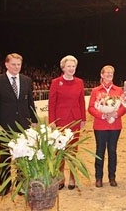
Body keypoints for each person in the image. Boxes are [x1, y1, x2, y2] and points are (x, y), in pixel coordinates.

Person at [0, 53, 38, 196]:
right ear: (6, 65)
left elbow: (30, 103)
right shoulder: (0, 81)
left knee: (23, 155)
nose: (16, 67)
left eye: (19, 64)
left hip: (24, 125)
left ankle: (21, 185)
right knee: (5, 156)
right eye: (14, 64)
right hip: (4, 126)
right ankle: (4, 185)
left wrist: (34, 121)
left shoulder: (27, 80)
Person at [48, 55, 86, 190]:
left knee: (73, 150)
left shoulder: (80, 82)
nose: (71, 69)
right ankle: (60, 177)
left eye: (73, 66)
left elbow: (81, 101)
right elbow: (52, 102)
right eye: (68, 66)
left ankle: (72, 177)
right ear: (63, 67)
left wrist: (83, 118)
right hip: (60, 121)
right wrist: (52, 120)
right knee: (60, 150)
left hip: (75, 119)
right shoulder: (55, 82)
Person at [88, 65, 126, 188]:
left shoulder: (119, 90)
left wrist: (116, 113)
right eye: (107, 73)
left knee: (112, 151)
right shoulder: (95, 91)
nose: (109, 75)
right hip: (100, 125)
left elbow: (124, 106)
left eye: (111, 73)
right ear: (102, 75)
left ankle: (112, 177)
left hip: (115, 125)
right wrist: (102, 115)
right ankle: (98, 177)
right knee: (100, 151)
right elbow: (91, 108)